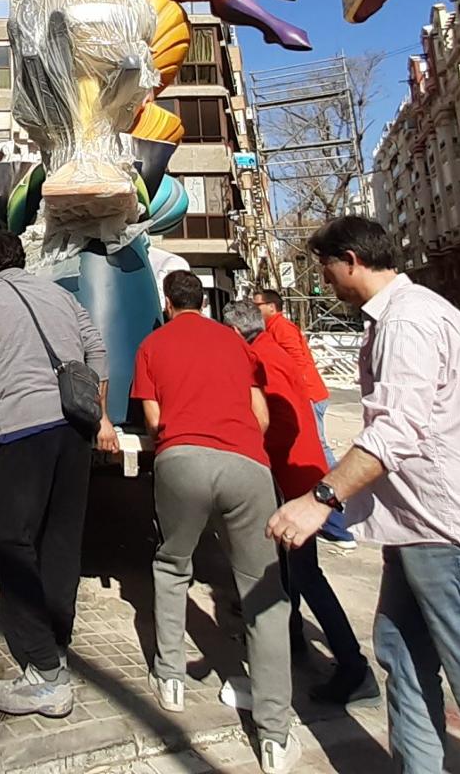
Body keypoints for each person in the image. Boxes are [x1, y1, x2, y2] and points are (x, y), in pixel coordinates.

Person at [269, 218, 460, 774]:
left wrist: (319, 499)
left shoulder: (409, 322)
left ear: (349, 259)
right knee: (400, 654)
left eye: (326, 269)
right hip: (420, 532)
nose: (325, 283)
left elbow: (396, 430)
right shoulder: (405, 316)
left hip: (453, 536)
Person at [135, 271, 300, 774]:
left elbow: (155, 421)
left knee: (172, 566)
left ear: (167, 303)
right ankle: (274, 735)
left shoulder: (153, 344)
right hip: (246, 464)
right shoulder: (234, 342)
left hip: (182, 458)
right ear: (205, 302)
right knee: (262, 590)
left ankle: (171, 679)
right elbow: (262, 415)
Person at [0, 230, 117, 719]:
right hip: (74, 430)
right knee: (61, 539)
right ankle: (57, 639)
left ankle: (47, 674)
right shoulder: (61, 295)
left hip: (23, 430)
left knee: (8, 543)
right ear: (22, 259)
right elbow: (98, 354)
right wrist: (100, 414)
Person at [224, 299, 376, 707]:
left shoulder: (262, 359)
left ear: (238, 332)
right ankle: (290, 638)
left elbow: (282, 422)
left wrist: (252, 442)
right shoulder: (270, 351)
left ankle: (353, 668)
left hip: (293, 476)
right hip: (296, 472)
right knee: (290, 569)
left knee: (306, 574)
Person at [252, 289, 354, 547]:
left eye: (258, 305)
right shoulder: (276, 327)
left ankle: (335, 518)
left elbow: (294, 361)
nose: (255, 309)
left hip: (308, 396)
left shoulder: (280, 329)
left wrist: (296, 391)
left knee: (316, 454)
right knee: (317, 451)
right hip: (307, 394)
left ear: (272, 307)